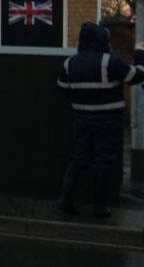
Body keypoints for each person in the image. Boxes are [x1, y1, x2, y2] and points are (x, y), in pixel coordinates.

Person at [56, 23, 144, 218]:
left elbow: (62, 89)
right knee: (103, 162)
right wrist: (139, 55)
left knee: (78, 159)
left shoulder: (70, 63)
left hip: (82, 119)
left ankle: (65, 199)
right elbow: (134, 76)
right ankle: (100, 207)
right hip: (108, 120)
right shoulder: (110, 62)